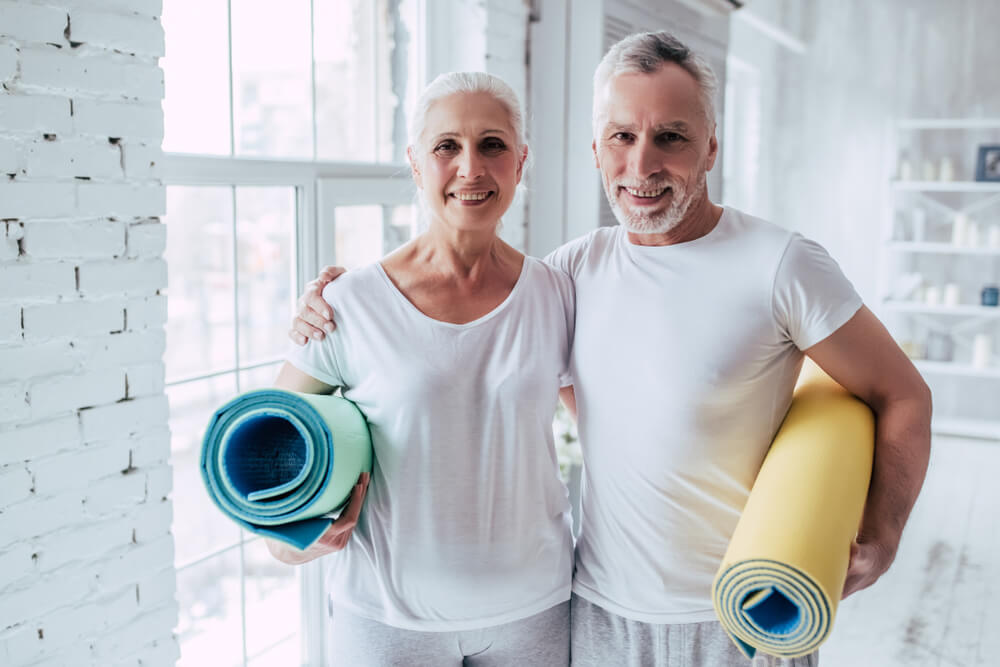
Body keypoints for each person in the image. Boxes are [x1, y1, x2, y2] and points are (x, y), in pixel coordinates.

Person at [291, 32, 932, 667]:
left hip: (741, 615)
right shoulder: (570, 274)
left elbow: (902, 392)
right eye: (623, 137)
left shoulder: (781, 264)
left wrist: (883, 532)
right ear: (596, 150)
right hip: (596, 613)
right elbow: (511, 356)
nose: (643, 164)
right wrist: (336, 298)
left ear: (710, 146)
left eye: (671, 137)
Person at [268, 71, 576, 666]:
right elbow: (266, 472)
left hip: (535, 613)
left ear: (521, 161)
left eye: (492, 145)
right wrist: (297, 544)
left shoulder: (557, 293)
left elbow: (614, 434)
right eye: (447, 147)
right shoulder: (348, 304)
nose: (471, 168)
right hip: (388, 624)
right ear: (415, 164)